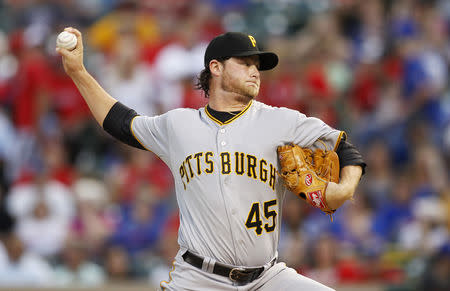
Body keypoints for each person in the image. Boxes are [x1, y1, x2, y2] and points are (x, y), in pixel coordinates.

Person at [57, 27, 366, 290]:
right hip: (198, 279)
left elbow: (344, 149)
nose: (255, 71)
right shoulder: (178, 125)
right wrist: (79, 72)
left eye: (257, 65)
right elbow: (120, 123)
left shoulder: (282, 122)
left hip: (266, 278)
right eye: (245, 63)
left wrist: (345, 187)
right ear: (216, 68)